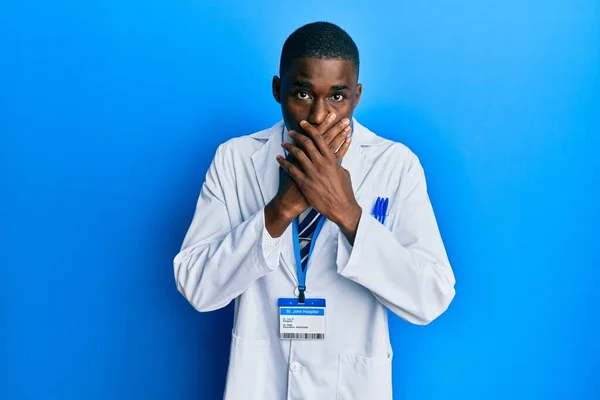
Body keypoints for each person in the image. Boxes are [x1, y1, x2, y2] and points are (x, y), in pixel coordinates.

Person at [174, 21, 456, 400]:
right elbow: (197, 286)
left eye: (337, 97)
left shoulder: (395, 165)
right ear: (278, 90)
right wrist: (282, 209)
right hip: (260, 384)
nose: (320, 115)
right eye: (303, 93)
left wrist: (348, 214)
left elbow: (431, 296)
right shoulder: (235, 159)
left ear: (356, 96)